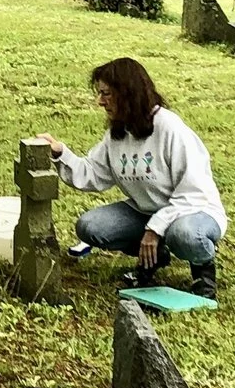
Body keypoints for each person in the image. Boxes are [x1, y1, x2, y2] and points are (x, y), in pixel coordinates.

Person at [32, 57, 225, 298]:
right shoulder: (118, 131)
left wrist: (155, 229)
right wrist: (61, 153)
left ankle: (203, 274)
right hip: (145, 211)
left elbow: (193, 193)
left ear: (128, 93)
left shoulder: (170, 129)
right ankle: (155, 257)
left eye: (107, 94)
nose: (100, 101)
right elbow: (94, 173)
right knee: (90, 226)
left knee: (184, 234)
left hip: (194, 211)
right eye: (99, 93)